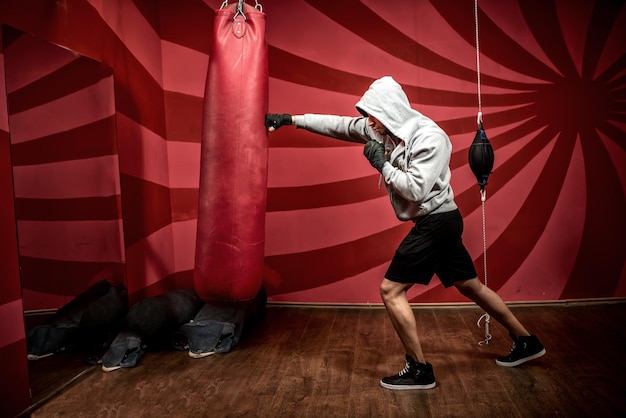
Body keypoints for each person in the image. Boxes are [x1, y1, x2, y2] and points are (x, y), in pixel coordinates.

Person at [265, 76, 546, 390]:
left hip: (437, 223)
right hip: (438, 221)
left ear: (390, 111)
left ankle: (419, 370)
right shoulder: (380, 128)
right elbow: (341, 125)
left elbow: (414, 189)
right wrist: (291, 120)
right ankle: (526, 341)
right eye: (367, 115)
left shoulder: (430, 138)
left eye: (373, 114)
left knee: (390, 290)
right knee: (470, 286)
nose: (368, 122)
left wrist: (382, 165)